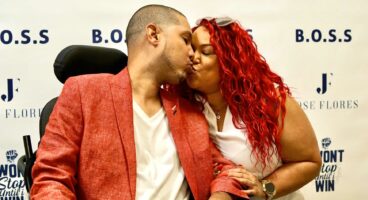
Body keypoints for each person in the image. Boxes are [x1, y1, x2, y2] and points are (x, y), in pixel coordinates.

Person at [30, 6, 248, 200]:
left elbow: (223, 169)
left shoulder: (189, 112)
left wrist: (220, 195)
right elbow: (51, 177)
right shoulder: (83, 92)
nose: (192, 53)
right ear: (153, 35)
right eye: (185, 40)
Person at [183, 17, 322, 200]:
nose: (194, 58)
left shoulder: (271, 101)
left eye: (206, 52)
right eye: (191, 49)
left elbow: (309, 161)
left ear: (230, 61)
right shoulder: (184, 105)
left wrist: (265, 189)